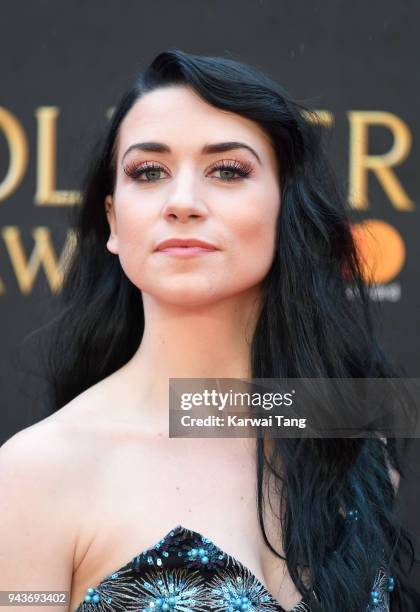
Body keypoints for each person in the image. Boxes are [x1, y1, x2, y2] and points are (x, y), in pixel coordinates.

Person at [0, 48, 418, 612]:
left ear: (285, 206)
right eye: (148, 172)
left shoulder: (354, 442)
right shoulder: (36, 473)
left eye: (228, 170)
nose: (182, 203)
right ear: (113, 221)